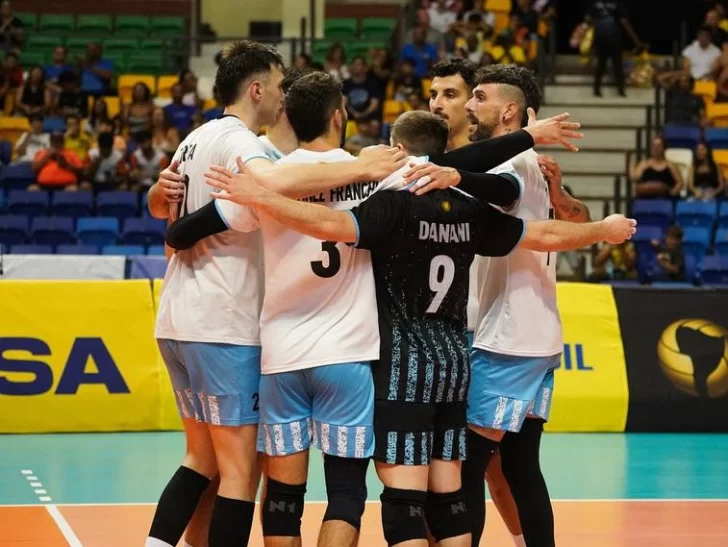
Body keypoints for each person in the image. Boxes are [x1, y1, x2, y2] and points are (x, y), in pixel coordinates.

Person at [202, 110, 637, 547]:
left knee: (404, 503)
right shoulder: (469, 209)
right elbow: (542, 235)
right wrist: (602, 229)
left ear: (398, 150)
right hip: (453, 364)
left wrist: (261, 196)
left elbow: (330, 224)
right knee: (448, 498)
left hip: (403, 367)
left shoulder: (392, 203)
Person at [145, 40, 407, 547]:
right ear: (257, 89)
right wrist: (364, 166)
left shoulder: (192, 140)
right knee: (243, 472)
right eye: (279, 84)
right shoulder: (250, 148)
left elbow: (176, 215)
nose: (283, 96)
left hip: (186, 318)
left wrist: (163, 212)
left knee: (204, 460)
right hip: (230, 322)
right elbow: (266, 184)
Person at [458, 65, 590, 547]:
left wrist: (447, 174)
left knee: (468, 465)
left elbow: (494, 186)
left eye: (479, 97)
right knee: (520, 465)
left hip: (507, 338)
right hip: (539, 336)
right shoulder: (531, 161)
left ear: (509, 110)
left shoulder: (509, 168)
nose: (469, 105)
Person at [584, 0, 641, 97]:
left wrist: (594, 24)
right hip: (614, 37)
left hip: (601, 36)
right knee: (617, 65)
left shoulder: (595, 3)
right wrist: (635, 40)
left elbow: (587, 18)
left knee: (601, 64)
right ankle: (621, 91)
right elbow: (624, 22)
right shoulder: (617, 3)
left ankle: (597, 90)